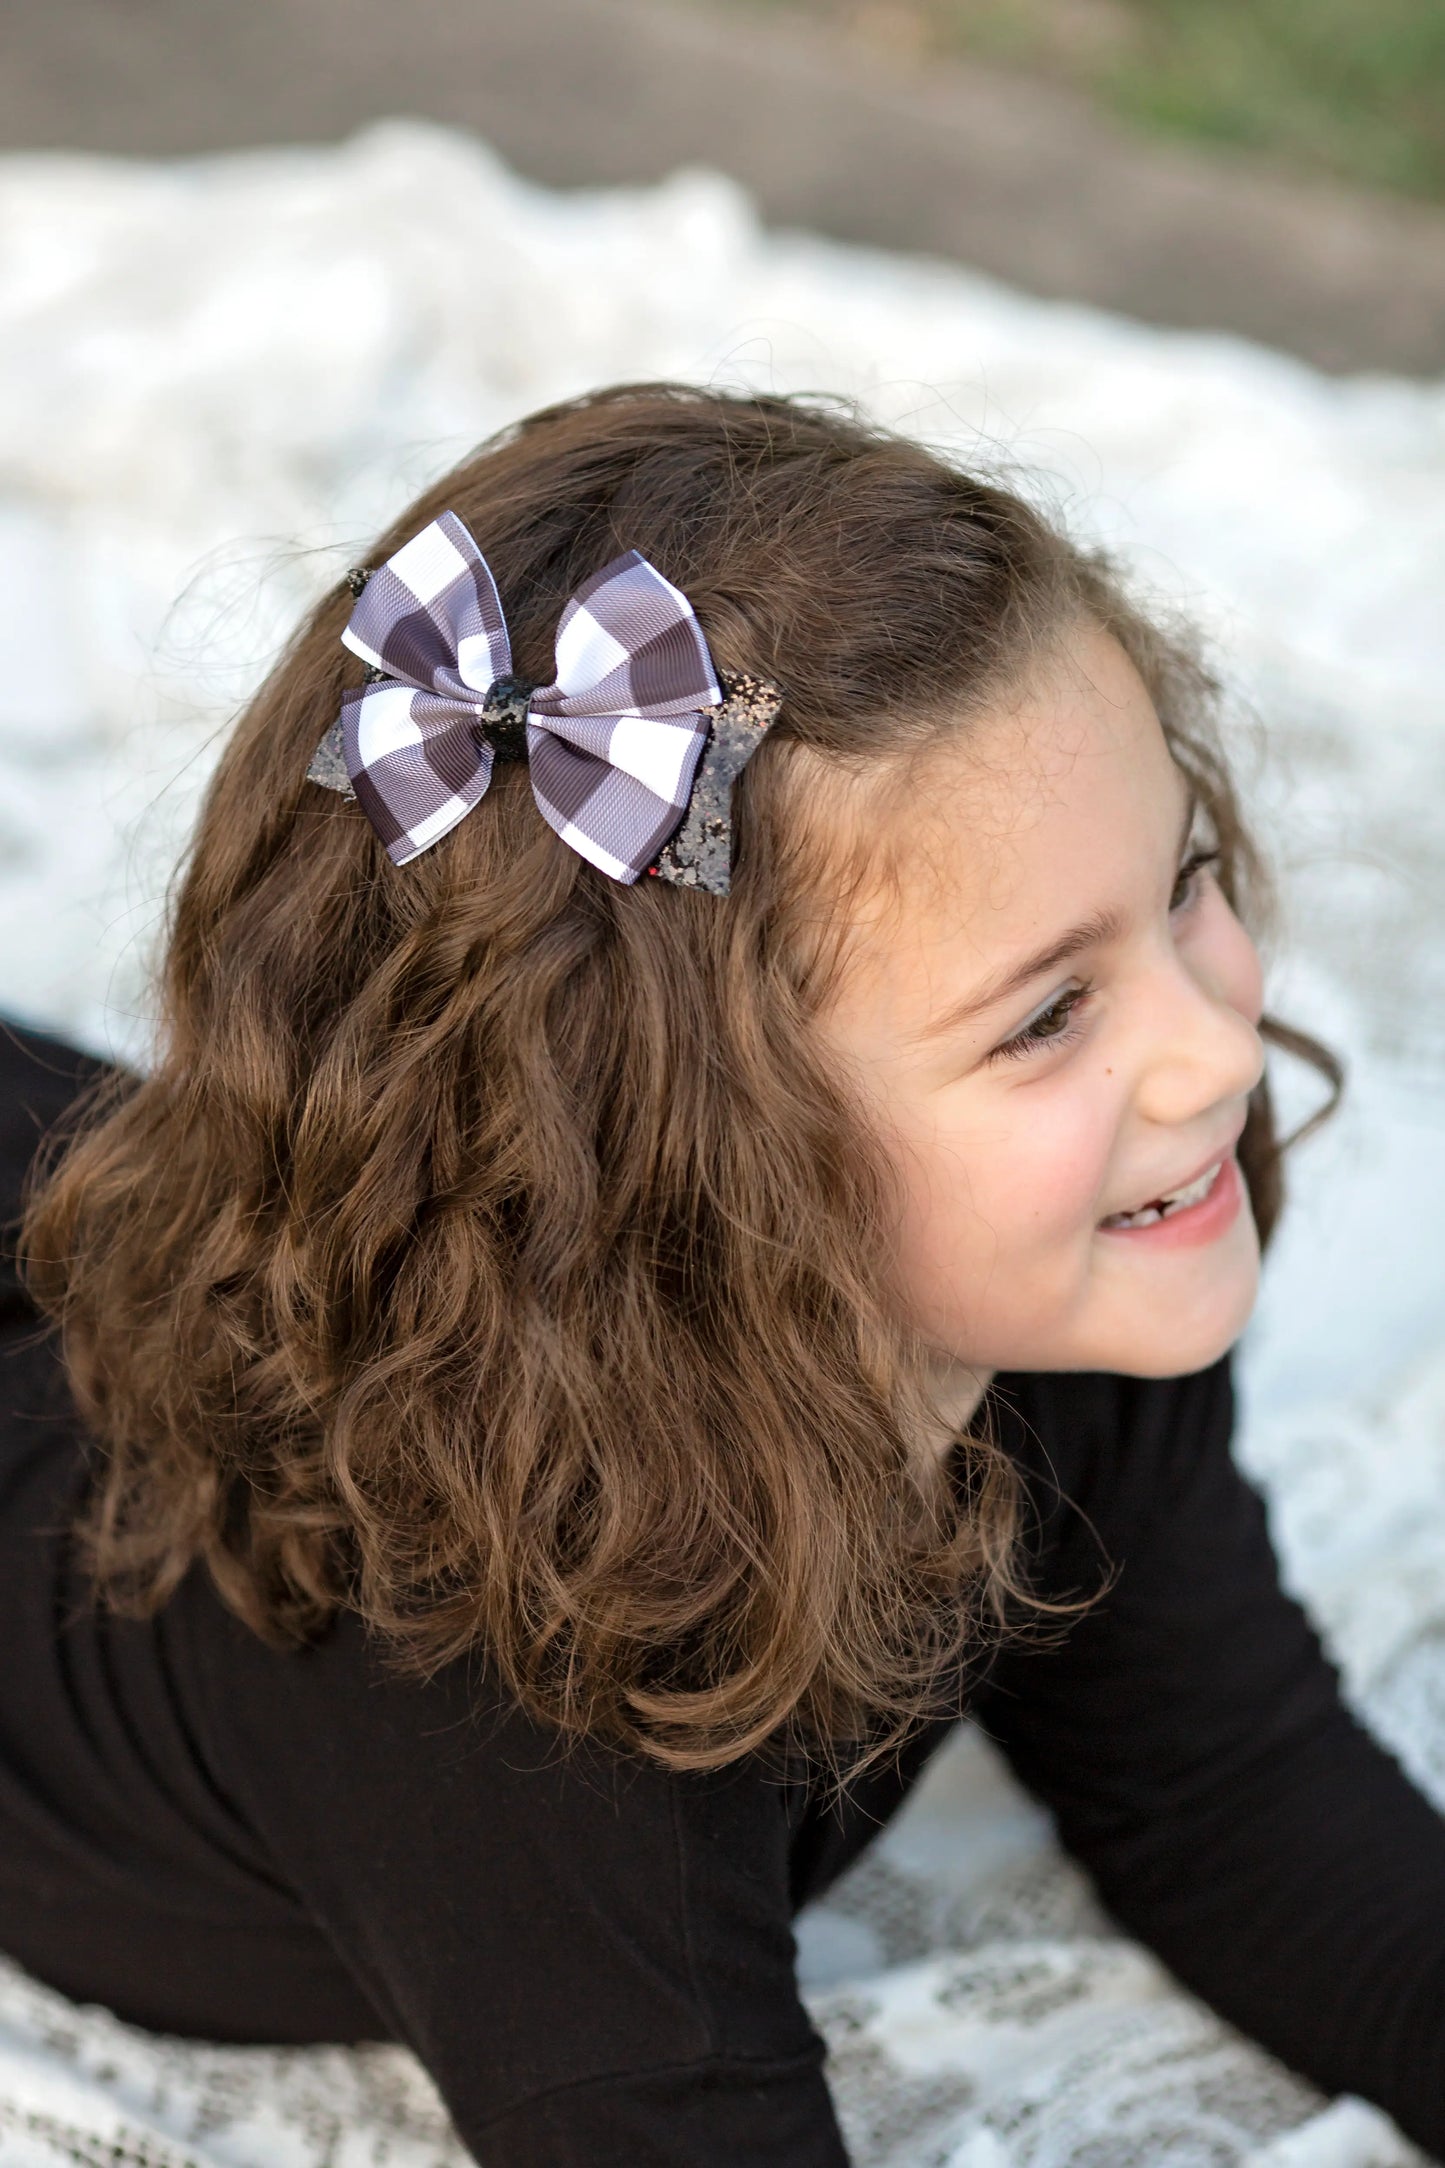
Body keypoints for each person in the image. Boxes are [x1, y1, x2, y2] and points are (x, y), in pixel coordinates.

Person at [1, 382, 1441, 2167]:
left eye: (1184, 886)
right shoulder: (515, 1723)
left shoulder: (1070, 1309)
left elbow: (1232, 1800)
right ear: (681, 1165)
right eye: (1050, 1012)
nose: (1212, 1054)